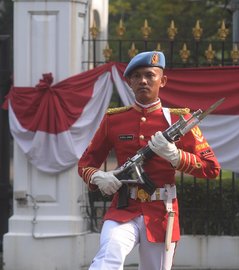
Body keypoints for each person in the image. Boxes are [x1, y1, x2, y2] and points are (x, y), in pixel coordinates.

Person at [78, 51, 220, 269]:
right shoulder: (114, 119)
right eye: (136, 76)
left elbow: (212, 168)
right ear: (130, 83)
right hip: (124, 208)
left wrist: (176, 156)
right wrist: (98, 177)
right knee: (108, 255)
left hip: (161, 213)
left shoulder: (178, 119)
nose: (143, 80)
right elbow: (85, 164)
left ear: (162, 81)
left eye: (149, 75)